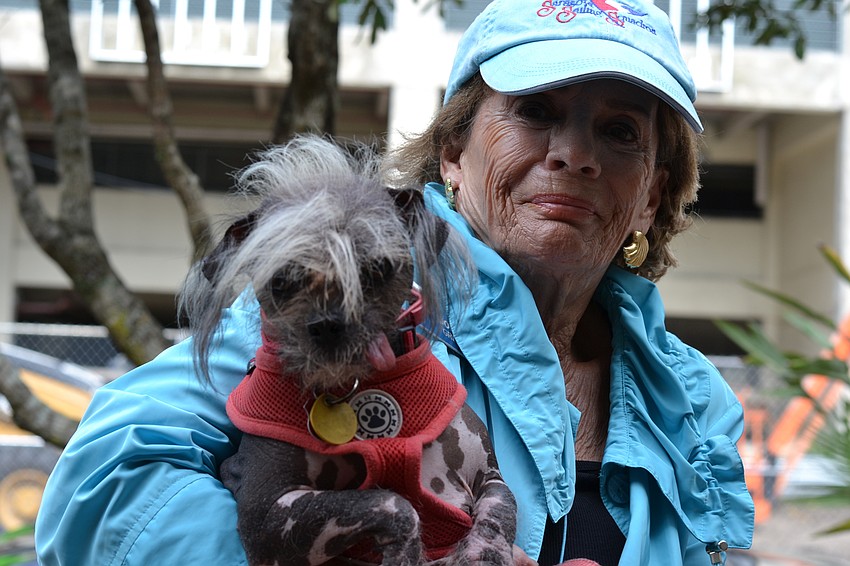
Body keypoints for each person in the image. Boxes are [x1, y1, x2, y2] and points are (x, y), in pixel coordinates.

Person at [34, 0, 755, 564]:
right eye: (535, 112)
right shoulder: (341, 301)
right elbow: (102, 485)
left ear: (653, 195)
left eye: (620, 131)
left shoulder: (695, 406)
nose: (574, 154)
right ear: (452, 153)